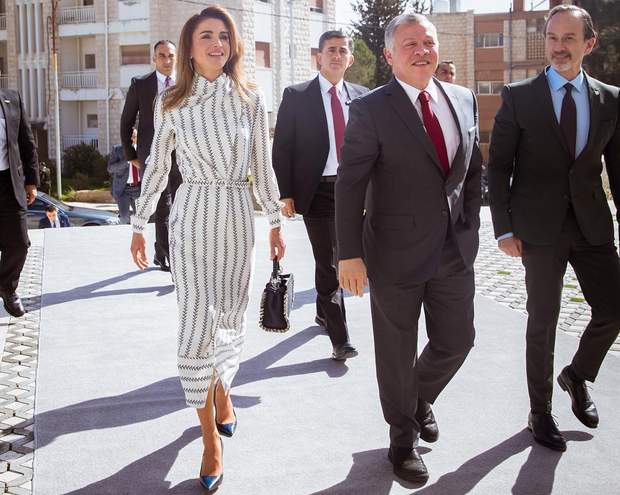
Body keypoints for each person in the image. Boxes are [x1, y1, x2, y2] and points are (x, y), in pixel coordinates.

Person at [129, 6, 284, 492]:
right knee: (196, 326)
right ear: (189, 46)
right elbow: (156, 167)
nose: (217, 44)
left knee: (228, 321)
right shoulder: (171, 103)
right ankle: (208, 440)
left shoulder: (251, 100)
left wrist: (276, 221)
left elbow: (263, 164)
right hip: (192, 217)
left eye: (223, 36)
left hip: (238, 221)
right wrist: (139, 223)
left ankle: (222, 390)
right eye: (206, 37)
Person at [336, 14, 482, 483]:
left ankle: (417, 399)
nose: (421, 50)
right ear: (389, 55)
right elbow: (350, 184)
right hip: (393, 252)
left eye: (428, 42)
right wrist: (348, 254)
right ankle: (401, 442)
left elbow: (472, 171)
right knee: (396, 352)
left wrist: (471, 227)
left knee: (457, 340)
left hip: (453, 250)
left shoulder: (463, 98)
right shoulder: (372, 109)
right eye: (409, 44)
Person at [488, 4, 620, 452]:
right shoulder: (519, 95)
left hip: (592, 226)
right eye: (552, 38)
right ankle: (540, 412)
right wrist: (503, 229)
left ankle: (578, 374)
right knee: (542, 321)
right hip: (537, 228)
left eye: (568, 39)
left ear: (589, 43)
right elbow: (498, 166)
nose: (559, 48)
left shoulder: (610, 99)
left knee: (614, 309)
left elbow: (617, 171)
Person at [272, 30, 368, 361]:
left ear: (350, 59)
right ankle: (340, 339)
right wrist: (285, 193)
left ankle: (323, 312)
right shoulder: (297, 95)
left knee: (347, 256)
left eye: (343, 51)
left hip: (356, 191)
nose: (337, 55)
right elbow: (282, 147)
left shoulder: (363, 97)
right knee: (330, 263)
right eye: (331, 50)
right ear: (319, 56)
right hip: (319, 191)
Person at [120, 39, 182, 272]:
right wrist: (131, 155)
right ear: (154, 59)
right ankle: (165, 254)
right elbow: (126, 122)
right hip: (151, 154)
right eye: (162, 55)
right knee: (162, 203)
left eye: (171, 56)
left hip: (183, 155)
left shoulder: (187, 83)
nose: (167, 60)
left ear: (177, 58)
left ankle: (168, 250)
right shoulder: (141, 84)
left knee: (181, 203)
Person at [0, 87, 38, 318]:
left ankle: (7, 287)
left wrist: (31, 181)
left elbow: (26, 142)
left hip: (8, 183)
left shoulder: (12, 99)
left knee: (20, 244)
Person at [108, 129, 141, 224]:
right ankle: (126, 235)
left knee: (140, 217)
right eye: (130, 137)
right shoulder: (117, 149)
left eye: (134, 137)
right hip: (123, 189)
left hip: (138, 188)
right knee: (124, 216)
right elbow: (110, 168)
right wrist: (127, 161)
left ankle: (138, 236)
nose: (132, 139)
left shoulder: (142, 149)